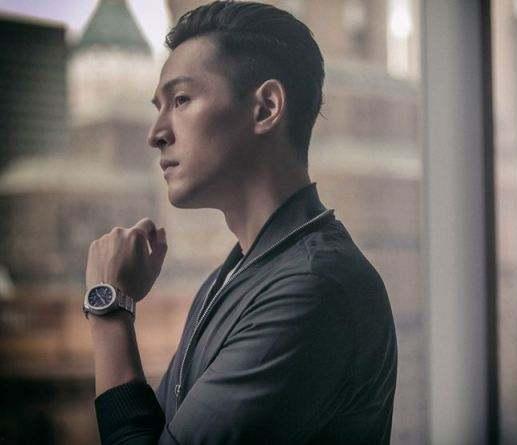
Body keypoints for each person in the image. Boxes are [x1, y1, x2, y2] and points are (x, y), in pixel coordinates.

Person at [83, 1, 397, 444]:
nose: (156, 134)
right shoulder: (231, 278)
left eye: (181, 100)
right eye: (159, 107)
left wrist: (109, 309)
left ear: (266, 108)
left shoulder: (312, 289)